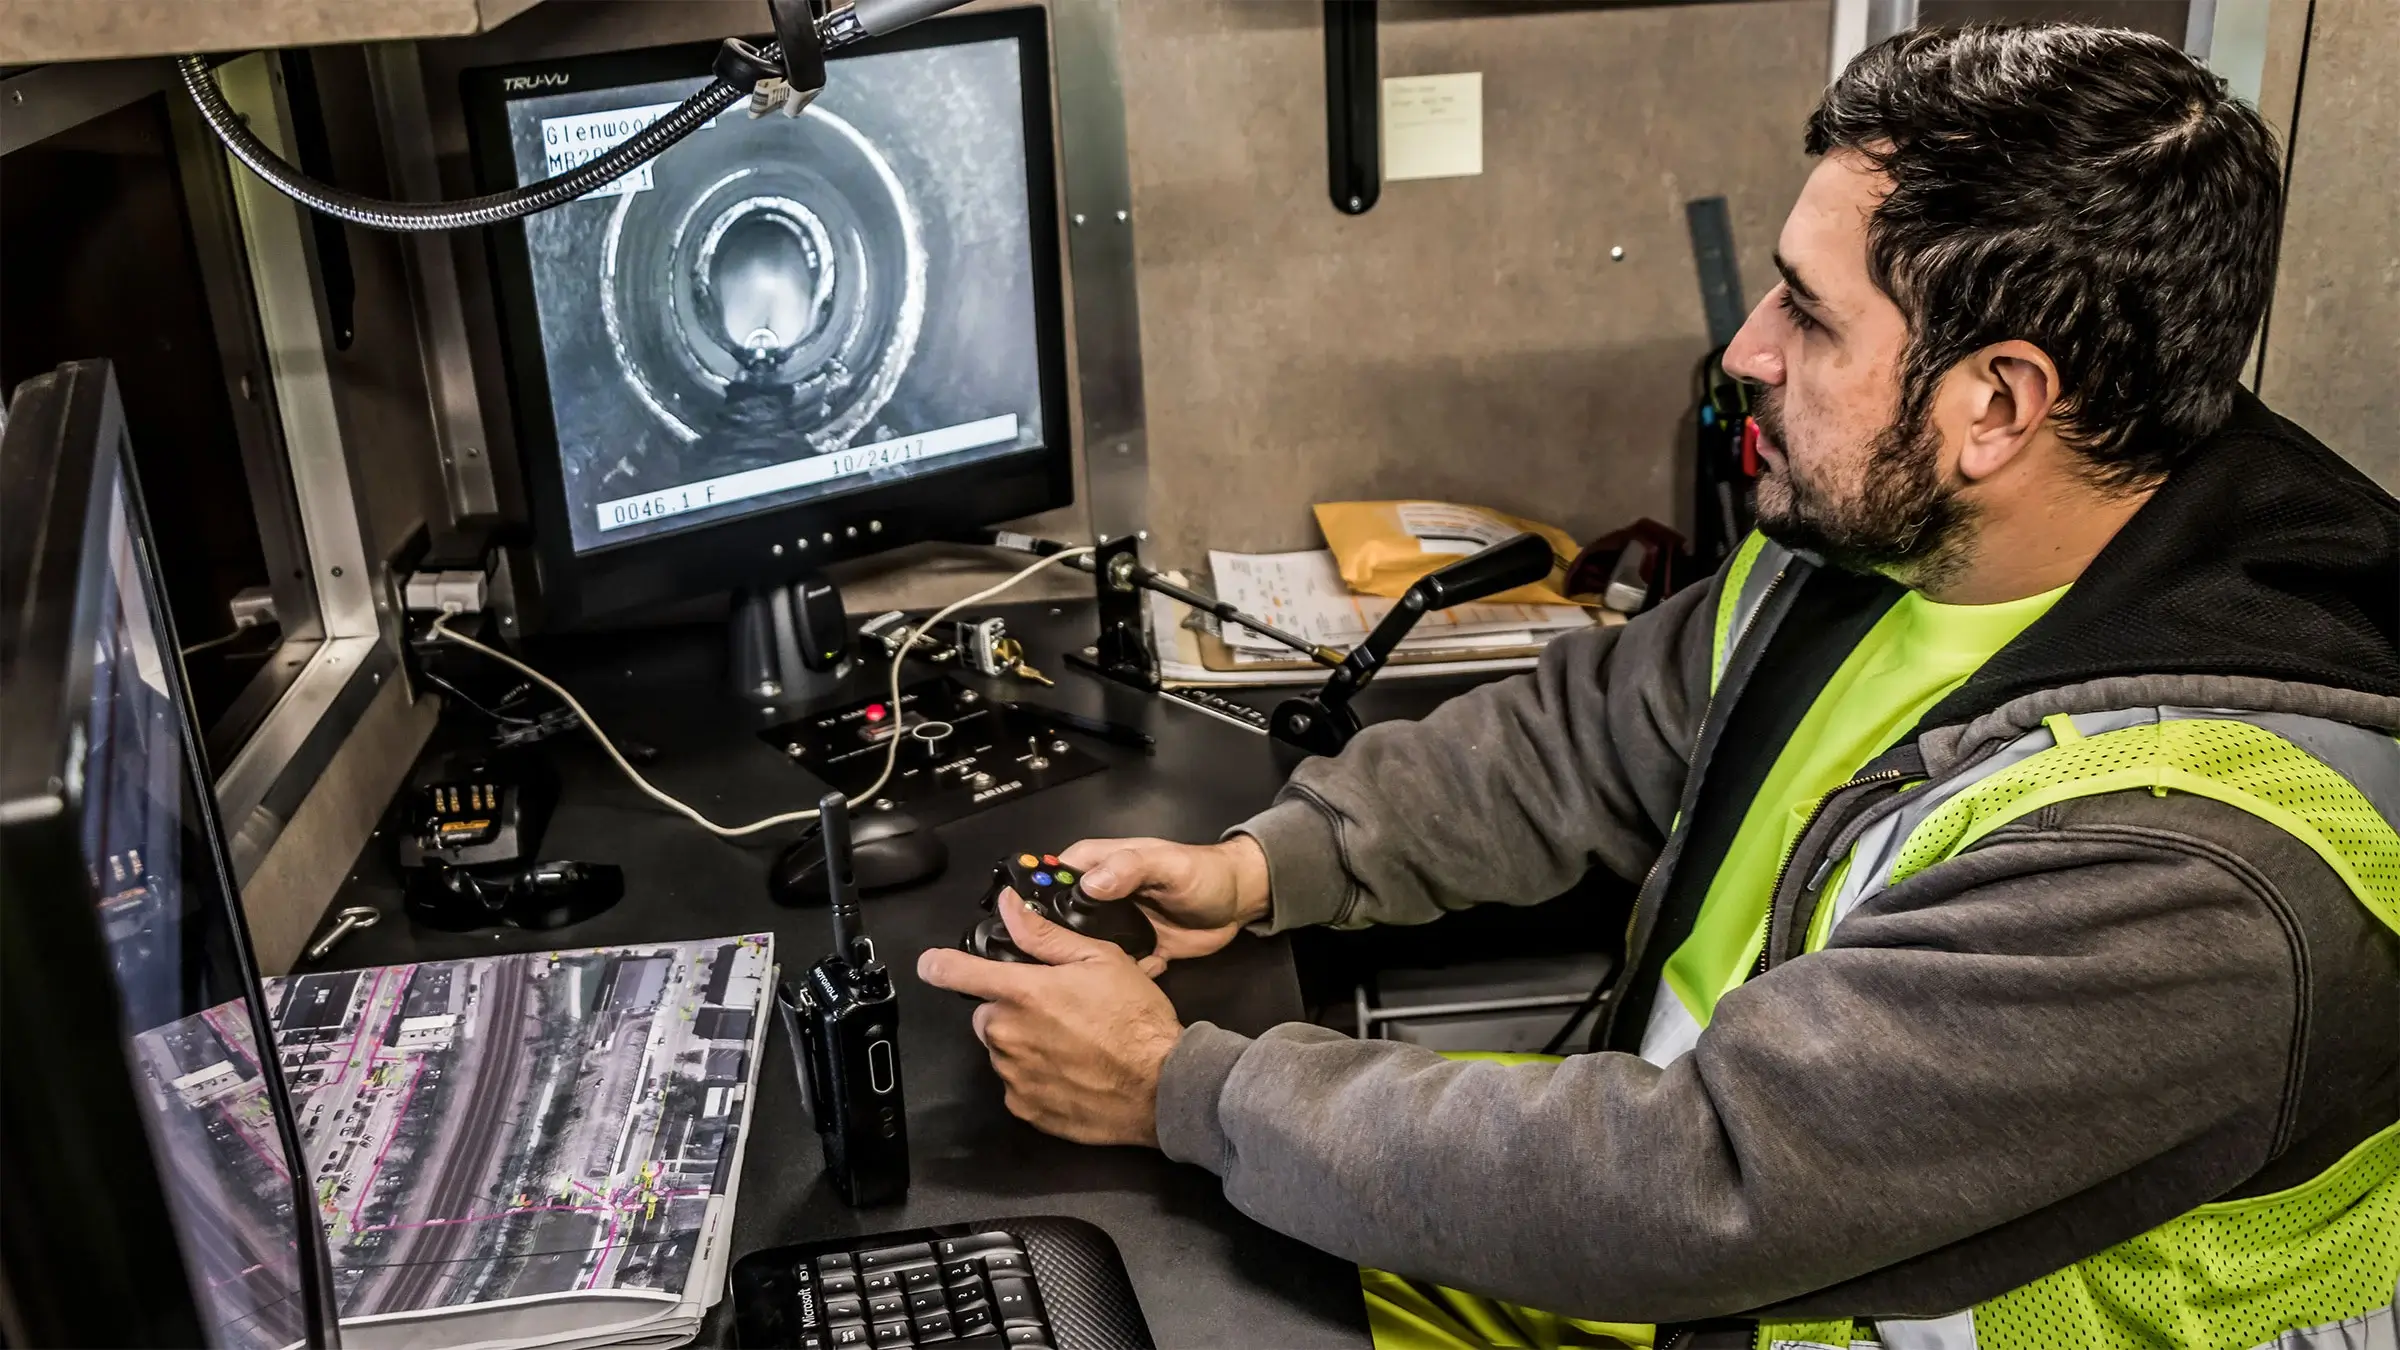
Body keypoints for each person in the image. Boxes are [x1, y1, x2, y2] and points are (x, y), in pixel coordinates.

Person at [920, 22, 2400, 1350]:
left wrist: (1183, 1089)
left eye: (1809, 316)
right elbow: (1583, 739)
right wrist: (1266, 866)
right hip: (1679, 1252)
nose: (1746, 349)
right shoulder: (1894, 535)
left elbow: (1705, 1180)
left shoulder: (2198, 865)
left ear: (1995, 405)